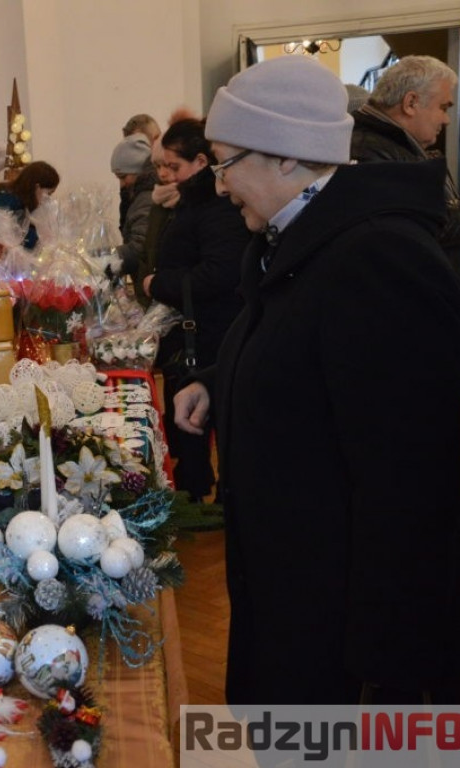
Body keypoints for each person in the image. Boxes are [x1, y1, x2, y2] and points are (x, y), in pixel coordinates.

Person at [175, 55, 460, 704]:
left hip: (340, 636)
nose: (219, 186)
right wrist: (219, 382)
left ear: (285, 157)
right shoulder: (302, 240)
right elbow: (304, 355)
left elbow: (415, 476)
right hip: (290, 594)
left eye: (225, 162)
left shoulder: (377, 257)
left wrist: (385, 657)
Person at [142, 117, 250, 502]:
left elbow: (220, 272)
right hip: (192, 330)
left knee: (207, 416)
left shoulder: (217, 206)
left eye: (174, 166)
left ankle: (216, 500)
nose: (165, 174)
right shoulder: (188, 201)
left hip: (209, 331)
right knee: (189, 419)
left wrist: (159, 284)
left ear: (203, 162)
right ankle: (194, 491)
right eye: (162, 165)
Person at [350, 55, 460, 270]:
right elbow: (419, 227)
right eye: (443, 107)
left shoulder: (394, 147)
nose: (446, 119)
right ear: (411, 103)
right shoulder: (368, 151)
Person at [108, 133, 154, 276]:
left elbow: (139, 248)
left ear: (138, 170)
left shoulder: (146, 198)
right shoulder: (139, 195)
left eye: (123, 177)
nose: (122, 184)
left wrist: (103, 259)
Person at [0, 160, 59, 249]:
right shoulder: (11, 202)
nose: (48, 199)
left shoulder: (12, 194)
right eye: (48, 193)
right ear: (37, 188)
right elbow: (24, 241)